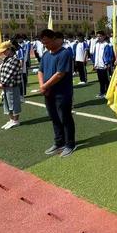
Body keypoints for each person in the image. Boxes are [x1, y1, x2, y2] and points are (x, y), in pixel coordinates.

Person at [38, 29, 76, 157]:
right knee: (54, 118)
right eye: (44, 43)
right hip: (49, 93)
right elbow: (40, 70)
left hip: (62, 93)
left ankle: (70, 144)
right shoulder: (45, 54)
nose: (46, 45)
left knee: (65, 118)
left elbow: (60, 74)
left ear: (54, 39)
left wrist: (44, 86)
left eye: (47, 42)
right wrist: (42, 85)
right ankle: (59, 142)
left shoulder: (64, 53)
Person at [0, 40, 22, 130]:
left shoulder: (15, 60)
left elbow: (11, 73)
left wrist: (2, 83)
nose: (3, 53)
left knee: (13, 103)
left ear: (9, 49)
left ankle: (16, 120)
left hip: (12, 85)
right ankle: (11, 120)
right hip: (5, 86)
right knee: (6, 103)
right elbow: (1, 71)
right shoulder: (6, 59)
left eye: (4, 51)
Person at [93, 30, 114, 98]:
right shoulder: (96, 44)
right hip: (98, 66)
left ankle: (108, 92)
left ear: (104, 36)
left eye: (100, 36)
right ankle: (102, 92)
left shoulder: (106, 45)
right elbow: (95, 55)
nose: (98, 37)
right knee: (101, 80)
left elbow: (110, 55)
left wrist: (107, 63)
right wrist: (94, 63)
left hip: (104, 66)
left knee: (106, 80)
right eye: (97, 36)